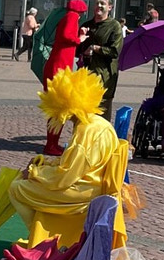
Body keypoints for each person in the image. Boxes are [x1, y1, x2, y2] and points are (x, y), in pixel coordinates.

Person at [9, 67, 128, 249]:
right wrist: (47, 163)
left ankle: (43, 239)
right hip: (96, 186)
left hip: (85, 193)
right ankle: (43, 237)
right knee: (27, 182)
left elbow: (65, 177)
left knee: (17, 188)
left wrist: (34, 173)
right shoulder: (99, 123)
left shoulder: (84, 132)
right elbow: (75, 164)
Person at [41, 0, 88, 156]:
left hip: (58, 66)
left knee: (58, 110)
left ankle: (52, 143)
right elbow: (67, 36)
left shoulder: (68, 16)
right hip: (58, 68)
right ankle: (51, 144)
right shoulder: (72, 17)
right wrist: (79, 39)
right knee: (58, 110)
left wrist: (79, 34)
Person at [78, 0, 123, 120]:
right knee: (83, 113)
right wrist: (79, 39)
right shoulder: (86, 25)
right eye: (97, 3)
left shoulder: (114, 26)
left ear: (110, 7)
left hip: (104, 77)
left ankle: (100, 140)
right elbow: (76, 51)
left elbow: (114, 51)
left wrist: (95, 48)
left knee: (101, 117)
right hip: (85, 74)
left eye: (102, 3)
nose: (99, 5)